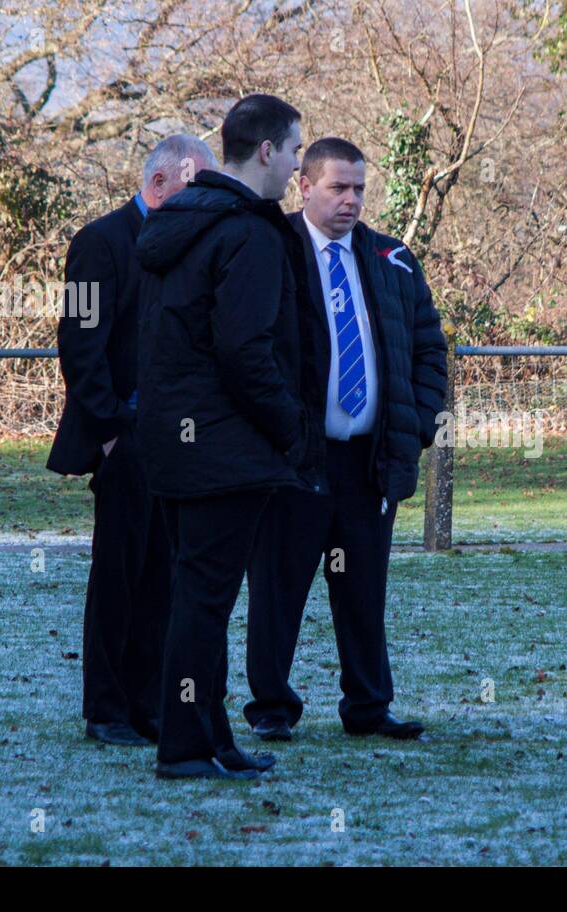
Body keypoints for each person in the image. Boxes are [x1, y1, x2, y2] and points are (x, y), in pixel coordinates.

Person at [135, 95, 323, 780]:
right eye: (296, 150)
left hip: (176, 441)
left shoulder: (183, 220)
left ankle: (209, 736)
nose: (300, 164)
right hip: (224, 447)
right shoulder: (246, 233)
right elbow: (248, 351)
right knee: (204, 598)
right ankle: (185, 745)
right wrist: (291, 429)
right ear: (267, 151)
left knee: (196, 592)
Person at [242, 137, 447, 743]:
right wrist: (279, 433)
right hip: (294, 460)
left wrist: (417, 424)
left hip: (368, 461)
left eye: (359, 187)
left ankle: (368, 706)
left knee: (363, 590)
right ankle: (272, 708)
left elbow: (429, 348)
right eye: (338, 187)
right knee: (277, 592)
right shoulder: (270, 249)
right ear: (305, 186)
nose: (351, 199)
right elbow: (247, 350)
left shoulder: (393, 259)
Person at [47, 134, 215, 747]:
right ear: (162, 182)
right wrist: (113, 431)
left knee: (165, 579)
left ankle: (148, 705)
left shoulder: (189, 246)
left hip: (178, 439)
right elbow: (81, 346)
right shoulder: (98, 243)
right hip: (126, 438)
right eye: (197, 188)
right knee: (118, 575)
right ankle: (107, 710)